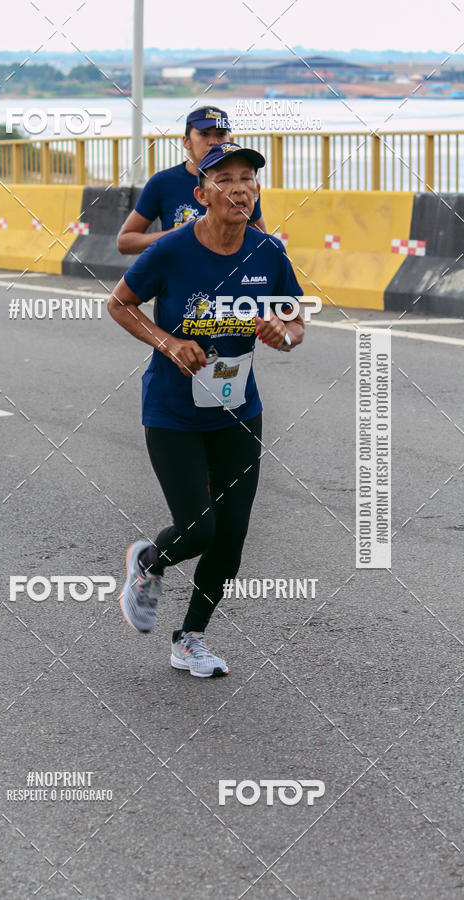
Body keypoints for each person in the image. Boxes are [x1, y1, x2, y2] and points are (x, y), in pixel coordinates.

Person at [108, 142, 305, 678]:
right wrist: (168, 341)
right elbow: (120, 303)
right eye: (225, 180)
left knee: (232, 532)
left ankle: (190, 639)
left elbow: (295, 323)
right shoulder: (172, 249)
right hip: (173, 411)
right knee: (199, 530)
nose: (239, 188)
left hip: (238, 409)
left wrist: (283, 333)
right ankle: (149, 562)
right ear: (202, 195)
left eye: (247, 179)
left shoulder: (268, 251)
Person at [117, 106, 266, 255]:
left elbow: (262, 244)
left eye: (221, 134)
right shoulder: (163, 182)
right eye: (204, 134)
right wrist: (178, 234)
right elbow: (125, 242)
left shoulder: (242, 187)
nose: (213, 141)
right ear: (186, 141)